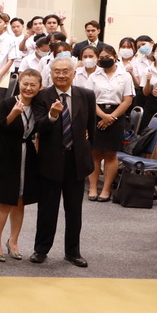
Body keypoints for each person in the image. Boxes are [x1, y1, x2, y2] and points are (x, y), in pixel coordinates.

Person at [30, 56, 95, 267]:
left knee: (74, 210)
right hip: (50, 161)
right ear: (50, 74)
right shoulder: (42, 96)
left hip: (76, 161)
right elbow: (38, 127)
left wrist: (86, 153)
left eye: (65, 71)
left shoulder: (86, 95)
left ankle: (73, 252)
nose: (61, 75)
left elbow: (91, 128)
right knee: (47, 209)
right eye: (56, 71)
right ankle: (41, 250)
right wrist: (52, 115)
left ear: (73, 73)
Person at [0, 69, 43, 261]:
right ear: (19, 84)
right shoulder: (8, 103)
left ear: (39, 87)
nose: (28, 88)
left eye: (33, 85)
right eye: (25, 84)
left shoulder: (39, 105)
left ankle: (13, 241)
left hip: (28, 155)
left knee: (21, 201)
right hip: (7, 154)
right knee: (6, 200)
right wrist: (13, 114)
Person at [85, 44, 134, 201]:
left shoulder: (125, 76)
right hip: (96, 114)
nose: (104, 60)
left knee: (111, 154)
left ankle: (106, 190)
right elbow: (89, 99)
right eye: (101, 58)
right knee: (95, 152)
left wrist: (111, 117)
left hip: (116, 116)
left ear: (115, 57)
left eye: (108, 57)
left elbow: (127, 100)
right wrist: (102, 116)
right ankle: (93, 188)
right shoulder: (94, 76)